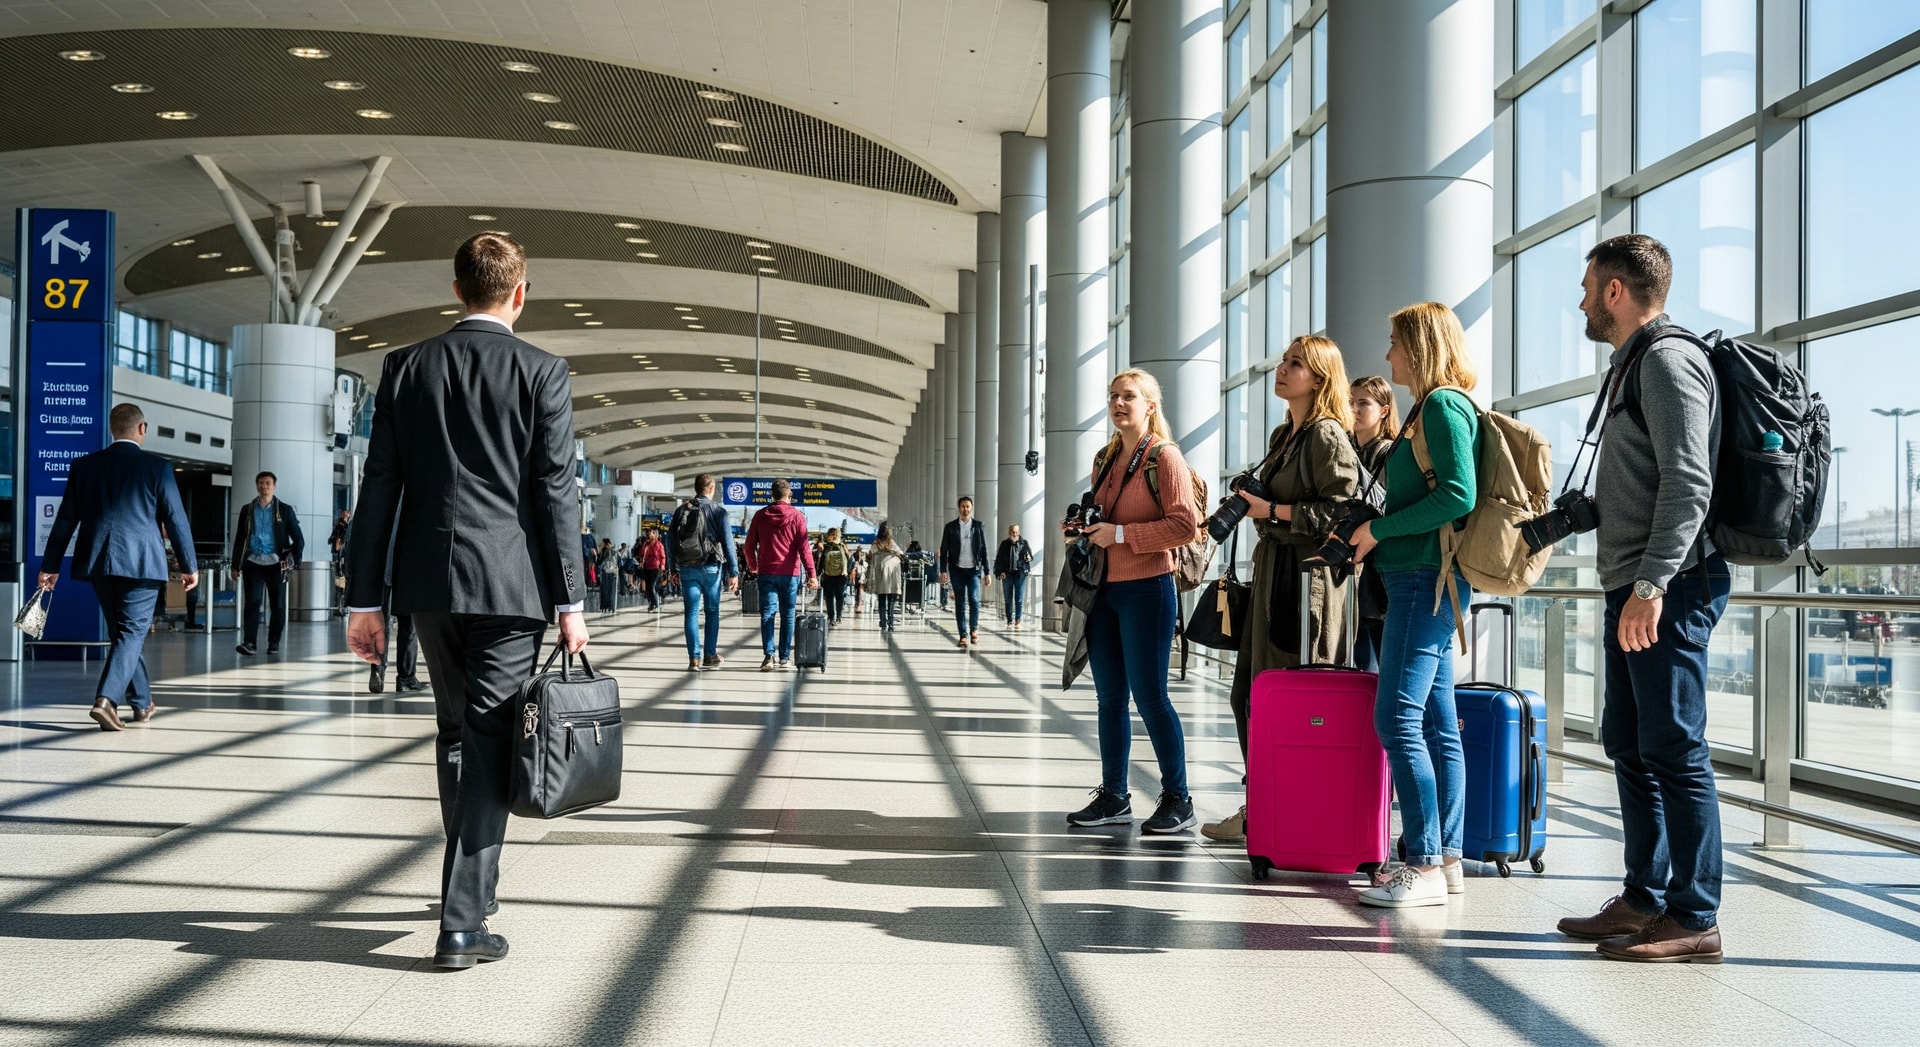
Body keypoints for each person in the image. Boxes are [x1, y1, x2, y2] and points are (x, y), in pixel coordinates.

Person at [345, 231, 590, 969]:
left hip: (428, 583)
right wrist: (570, 598)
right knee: (486, 740)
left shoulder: (406, 367)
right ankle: (461, 921)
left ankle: (473, 893)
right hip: (511, 587)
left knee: (457, 733)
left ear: (456, 290)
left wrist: (365, 597)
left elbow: (380, 485)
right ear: (520, 293)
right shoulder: (542, 371)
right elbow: (555, 493)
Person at [1556, 234, 1730, 963]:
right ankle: (1643, 895)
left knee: (1674, 746)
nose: (1583, 299)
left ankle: (1695, 915)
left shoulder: (1667, 361)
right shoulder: (1632, 362)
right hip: (1633, 581)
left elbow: (1691, 482)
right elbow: (1650, 478)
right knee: (1629, 740)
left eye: (1590, 285)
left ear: (1618, 291)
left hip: (1669, 585)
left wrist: (1654, 584)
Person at [1199, 336, 1363, 845]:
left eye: (1296, 364)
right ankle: (1266, 804)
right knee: (1249, 693)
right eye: (1285, 361)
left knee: (1294, 697)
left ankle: (1294, 809)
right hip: (1274, 571)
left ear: (1319, 378)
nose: (1283, 369)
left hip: (1307, 582)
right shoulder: (1284, 435)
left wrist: (1271, 512)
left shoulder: (1327, 436)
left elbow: (1343, 511)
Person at [1343, 301, 1479, 907]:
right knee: (1436, 723)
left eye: (1396, 342)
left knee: (1395, 716)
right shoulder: (1429, 409)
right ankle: (1445, 858)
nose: (1390, 353)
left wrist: (1379, 531)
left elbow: (1457, 493)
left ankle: (1421, 863)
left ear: (1421, 345)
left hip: (1423, 578)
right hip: (1422, 578)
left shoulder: (1444, 406)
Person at [1063, 369, 1203, 834]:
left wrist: (1120, 534)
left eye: (1129, 396)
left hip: (1147, 589)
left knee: (1150, 697)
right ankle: (1115, 796)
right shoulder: (1104, 458)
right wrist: (1084, 530)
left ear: (1150, 406)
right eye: (1113, 396)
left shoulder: (1165, 458)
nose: (1118, 403)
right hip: (1104, 590)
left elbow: (1186, 525)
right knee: (1109, 699)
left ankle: (1178, 799)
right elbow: (1103, 516)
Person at [36, 403, 198, 732]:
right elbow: (175, 519)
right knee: (130, 633)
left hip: (98, 562)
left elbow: (65, 519)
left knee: (122, 633)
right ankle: (106, 701)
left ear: (112, 429)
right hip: (141, 564)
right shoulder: (158, 467)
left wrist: (50, 566)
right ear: (142, 429)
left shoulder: (85, 466)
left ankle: (142, 703)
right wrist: (189, 566)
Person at [1348, 375, 1398, 671]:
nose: (1354, 408)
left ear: (1384, 410)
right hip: (1355, 571)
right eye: (1350, 402)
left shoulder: (1389, 453)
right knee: (1359, 666)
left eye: (1363, 403)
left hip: (1377, 573)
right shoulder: (1348, 452)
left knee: (1377, 664)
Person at [742, 479, 818, 671]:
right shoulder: (798, 517)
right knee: (788, 614)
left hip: (766, 571)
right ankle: (784, 658)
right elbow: (804, 549)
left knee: (768, 613)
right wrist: (812, 574)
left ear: (772, 495)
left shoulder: (760, 516)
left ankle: (769, 656)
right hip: (790, 574)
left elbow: (749, 546)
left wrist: (753, 566)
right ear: (789, 494)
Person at [230, 471, 306, 656]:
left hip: (275, 564)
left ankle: (274, 643)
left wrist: (294, 561)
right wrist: (235, 565)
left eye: (268, 483)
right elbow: (240, 538)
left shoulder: (284, 510)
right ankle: (250, 643)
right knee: (252, 603)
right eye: (261, 483)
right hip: (253, 562)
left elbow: (298, 538)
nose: (264, 486)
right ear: (257, 485)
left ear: (274, 486)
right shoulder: (247, 509)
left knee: (277, 604)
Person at [675, 474, 741, 671]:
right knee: (712, 611)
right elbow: (728, 544)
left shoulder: (681, 510)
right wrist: (734, 571)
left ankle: (693, 658)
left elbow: (671, 540)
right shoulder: (718, 511)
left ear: (696, 488)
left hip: (687, 567)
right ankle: (709, 655)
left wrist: (671, 568)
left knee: (691, 613)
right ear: (711, 489)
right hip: (711, 566)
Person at [939, 497, 990, 647]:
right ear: (958, 508)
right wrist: (943, 571)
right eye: (963, 506)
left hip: (974, 570)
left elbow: (984, 550)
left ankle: (974, 630)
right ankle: (963, 635)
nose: (965, 509)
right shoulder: (950, 527)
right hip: (957, 570)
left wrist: (987, 572)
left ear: (972, 508)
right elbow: (943, 550)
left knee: (974, 600)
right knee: (960, 603)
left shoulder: (978, 526)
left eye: (968, 506)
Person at [992, 524, 1034, 629]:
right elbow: (999, 559)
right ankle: (1010, 620)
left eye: (1016, 532)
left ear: (1019, 532)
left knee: (1019, 599)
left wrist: (1029, 558)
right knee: (1008, 598)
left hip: (1020, 574)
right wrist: (999, 572)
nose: (1014, 534)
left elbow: (1030, 557)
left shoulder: (1024, 543)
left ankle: (1018, 621)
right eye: (1013, 532)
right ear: (1009, 532)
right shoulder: (1004, 544)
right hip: (1007, 574)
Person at [868, 523, 905, 631]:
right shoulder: (892, 543)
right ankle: (891, 622)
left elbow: (869, 556)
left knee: (882, 598)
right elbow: (902, 555)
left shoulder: (876, 543)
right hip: (893, 572)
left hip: (881, 573)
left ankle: (883, 622)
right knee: (892, 599)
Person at [819, 527, 851, 626]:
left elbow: (822, 561)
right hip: (841, 575)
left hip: (828, 574)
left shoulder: (826, 546)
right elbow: (850, 560)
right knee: (839, 595)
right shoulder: (842, 546)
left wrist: (818, 573)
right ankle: (839, 616)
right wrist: (847, 572)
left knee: (829, 596)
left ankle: (831, 617)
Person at [637, 528, 667, 611]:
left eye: (651, 533)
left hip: (655, 568)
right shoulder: (646, 544)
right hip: (646, 567)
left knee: (651, 587)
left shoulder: (658, 544)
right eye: (648, 533)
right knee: (647, 588)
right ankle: (651, 603)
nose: (649, 535)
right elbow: (641, 554)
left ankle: (655, 604)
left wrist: (662, 566)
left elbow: (662, 556)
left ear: (655, 535)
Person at [595, 538, 619, 613]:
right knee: (612, 590)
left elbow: (599, 562)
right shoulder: (615, 551)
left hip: (605, 572)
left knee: (604, 590)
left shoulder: (605, 552)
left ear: (606, 544)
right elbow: (620, 562)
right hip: (613, 573)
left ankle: (604, 606)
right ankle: (611, 606)